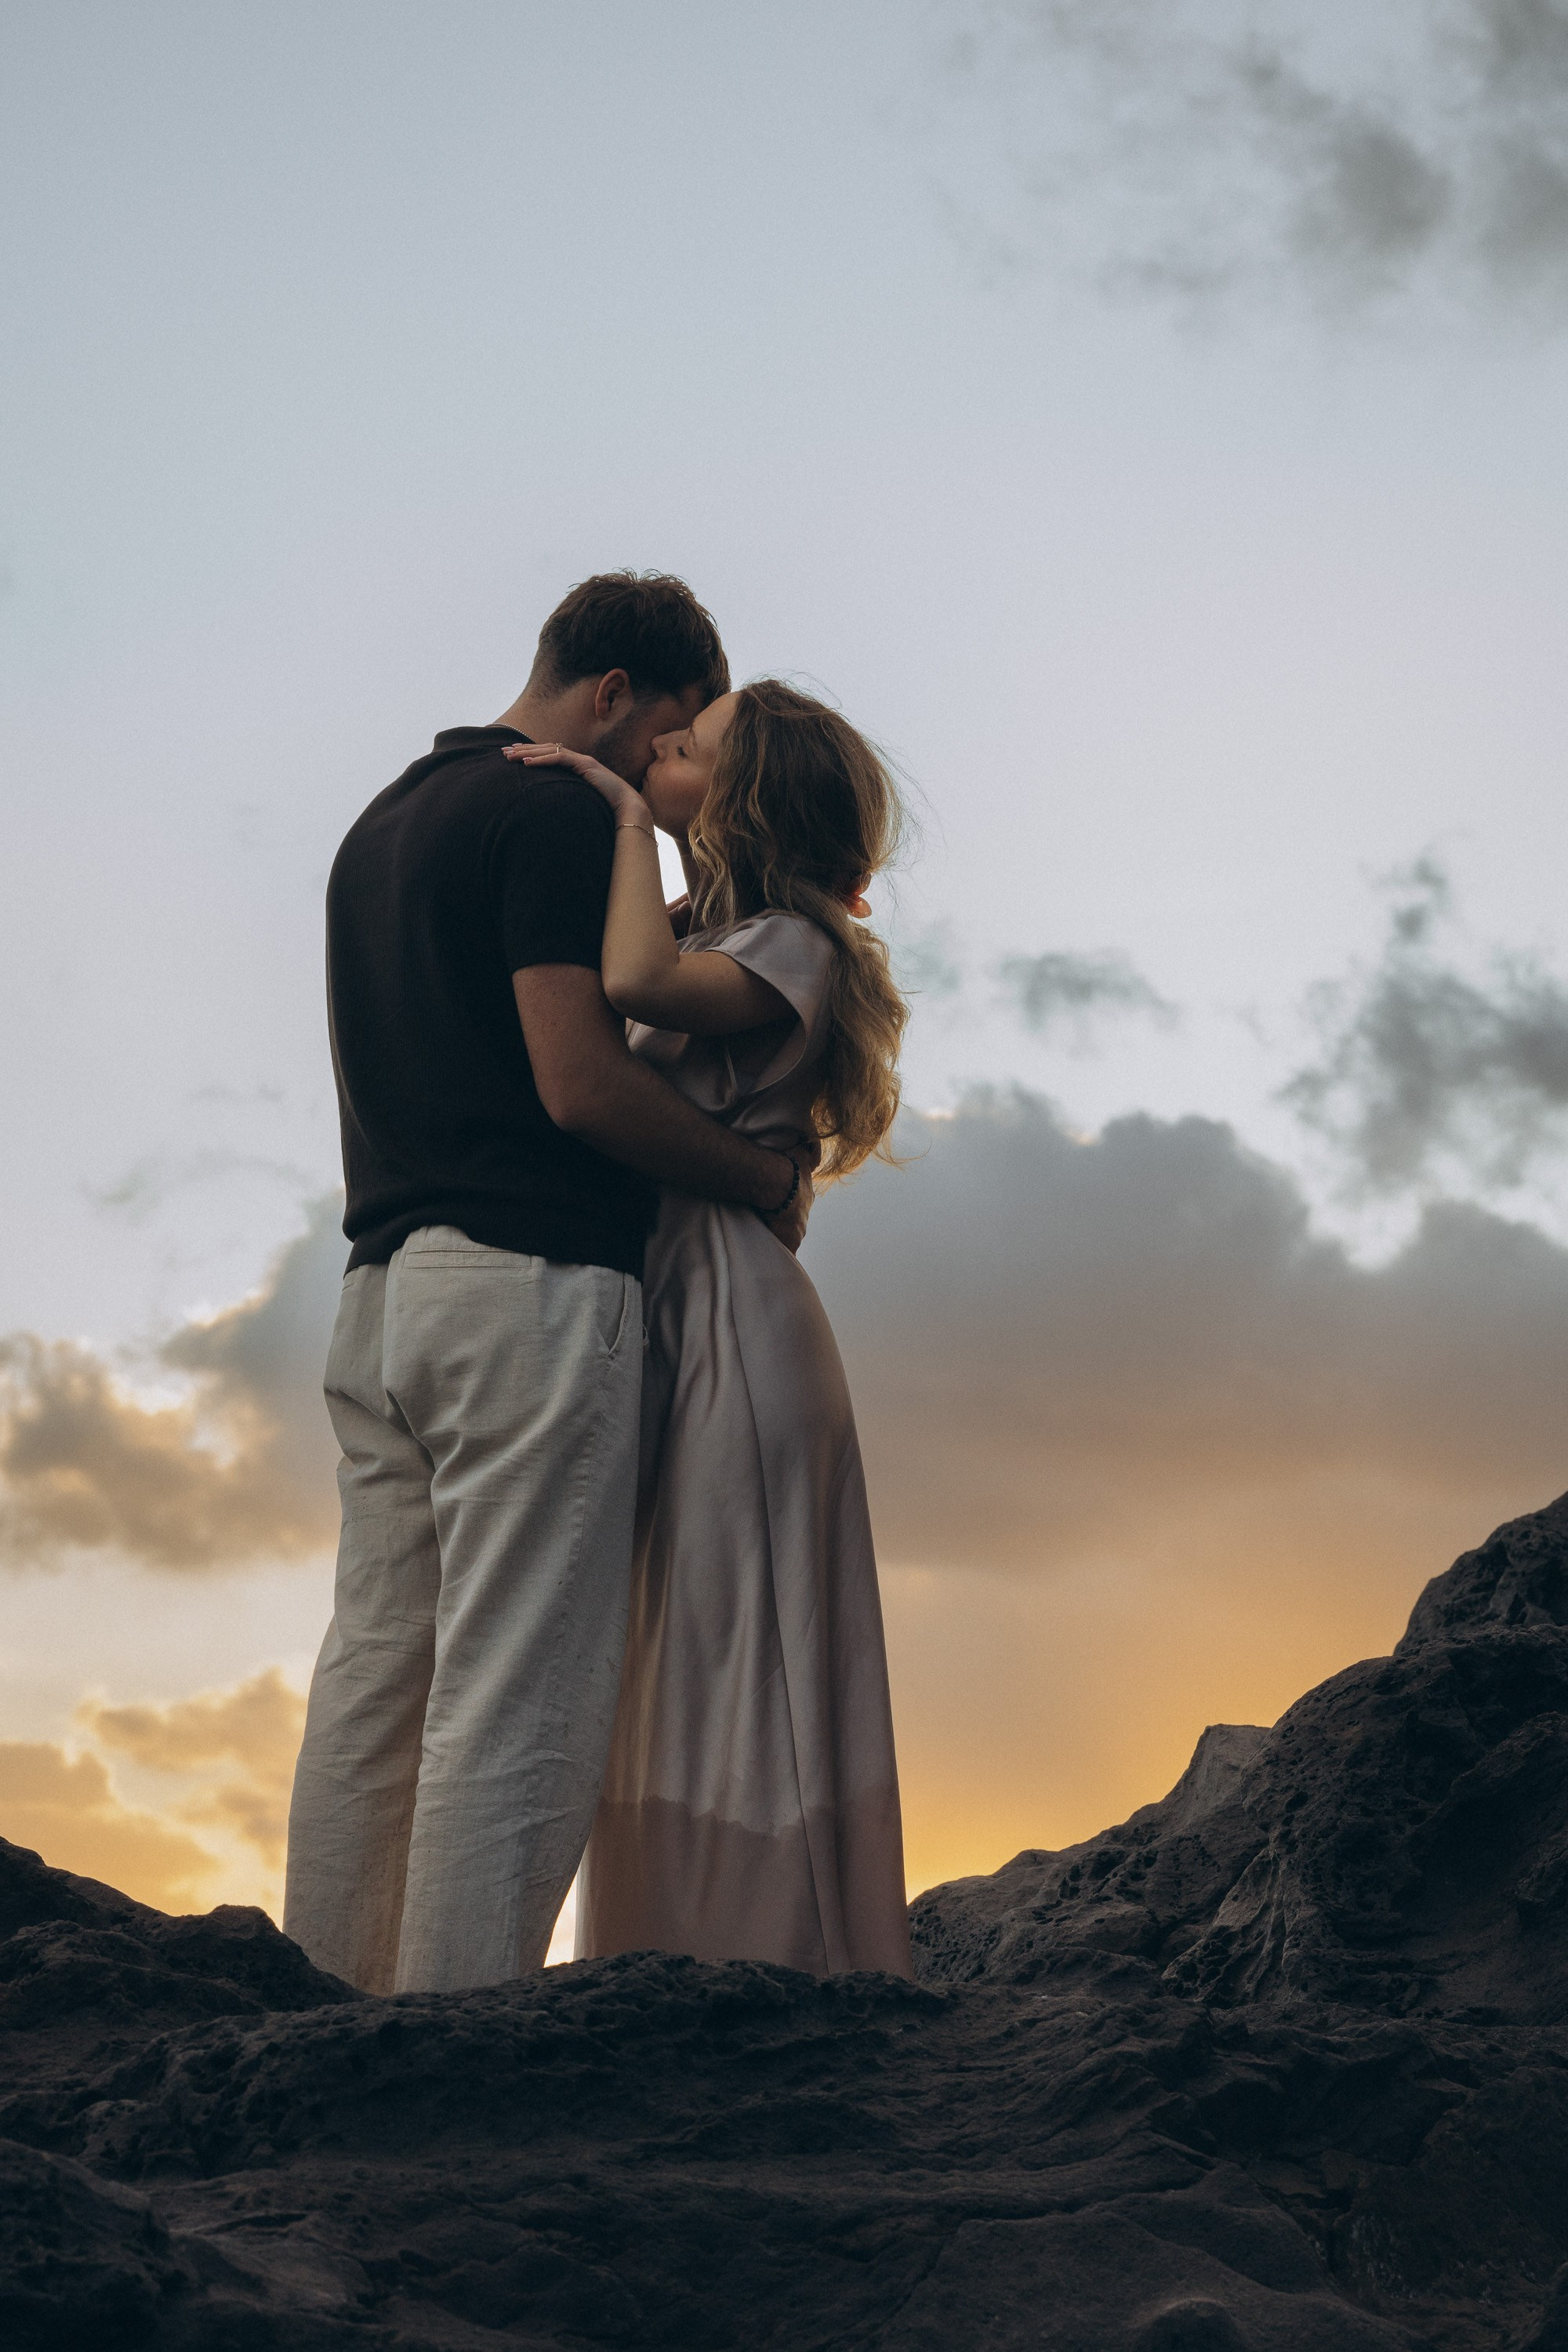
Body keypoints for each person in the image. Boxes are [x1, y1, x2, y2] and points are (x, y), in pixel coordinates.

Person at [284, 575, 813, 1998]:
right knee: (517, 1698)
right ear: (611, 699)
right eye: (674, 736)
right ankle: (457, 2059)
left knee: (376, 1684)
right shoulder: (564, 808)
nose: (673, 775)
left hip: (380, 1297)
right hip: (525, 1295)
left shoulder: (383, 819)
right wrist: (760, 1178)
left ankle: (315, 2028)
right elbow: (578, 1084)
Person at [509, 679, 913, 1977]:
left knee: (743, 1653)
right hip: (684, 1311)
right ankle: (677, 1947)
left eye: (701, 742)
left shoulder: (792, 941)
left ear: (742, 796)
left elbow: (631, 983)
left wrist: (622, 816)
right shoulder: (713, 926)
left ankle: (776, 1959)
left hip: (740, 1325)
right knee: (683, 1650)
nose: (667, 742)